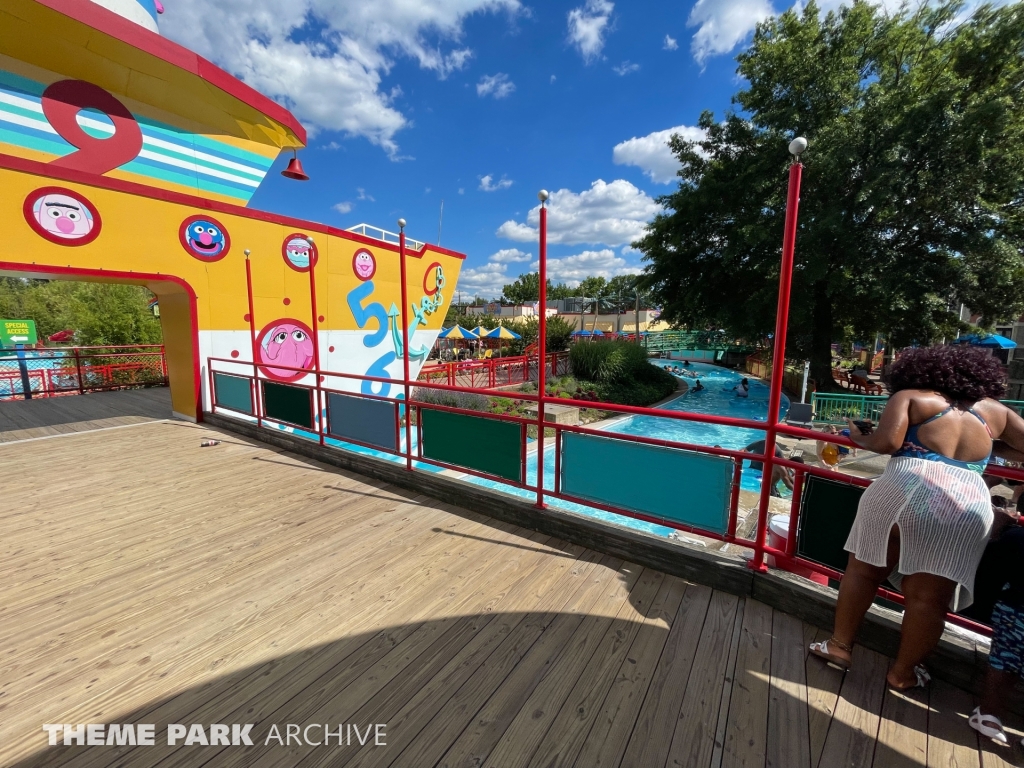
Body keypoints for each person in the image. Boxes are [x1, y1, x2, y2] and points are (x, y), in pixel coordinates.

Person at [809, 345, 1024, 691]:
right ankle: (903, 673)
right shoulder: (995, 412)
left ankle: (840, 647)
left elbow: (887, 443)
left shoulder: (912, 397)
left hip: (903, 489)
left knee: (863, 571)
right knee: (930, 597)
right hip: (965, 504)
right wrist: (991, 447)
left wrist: (856, 434)